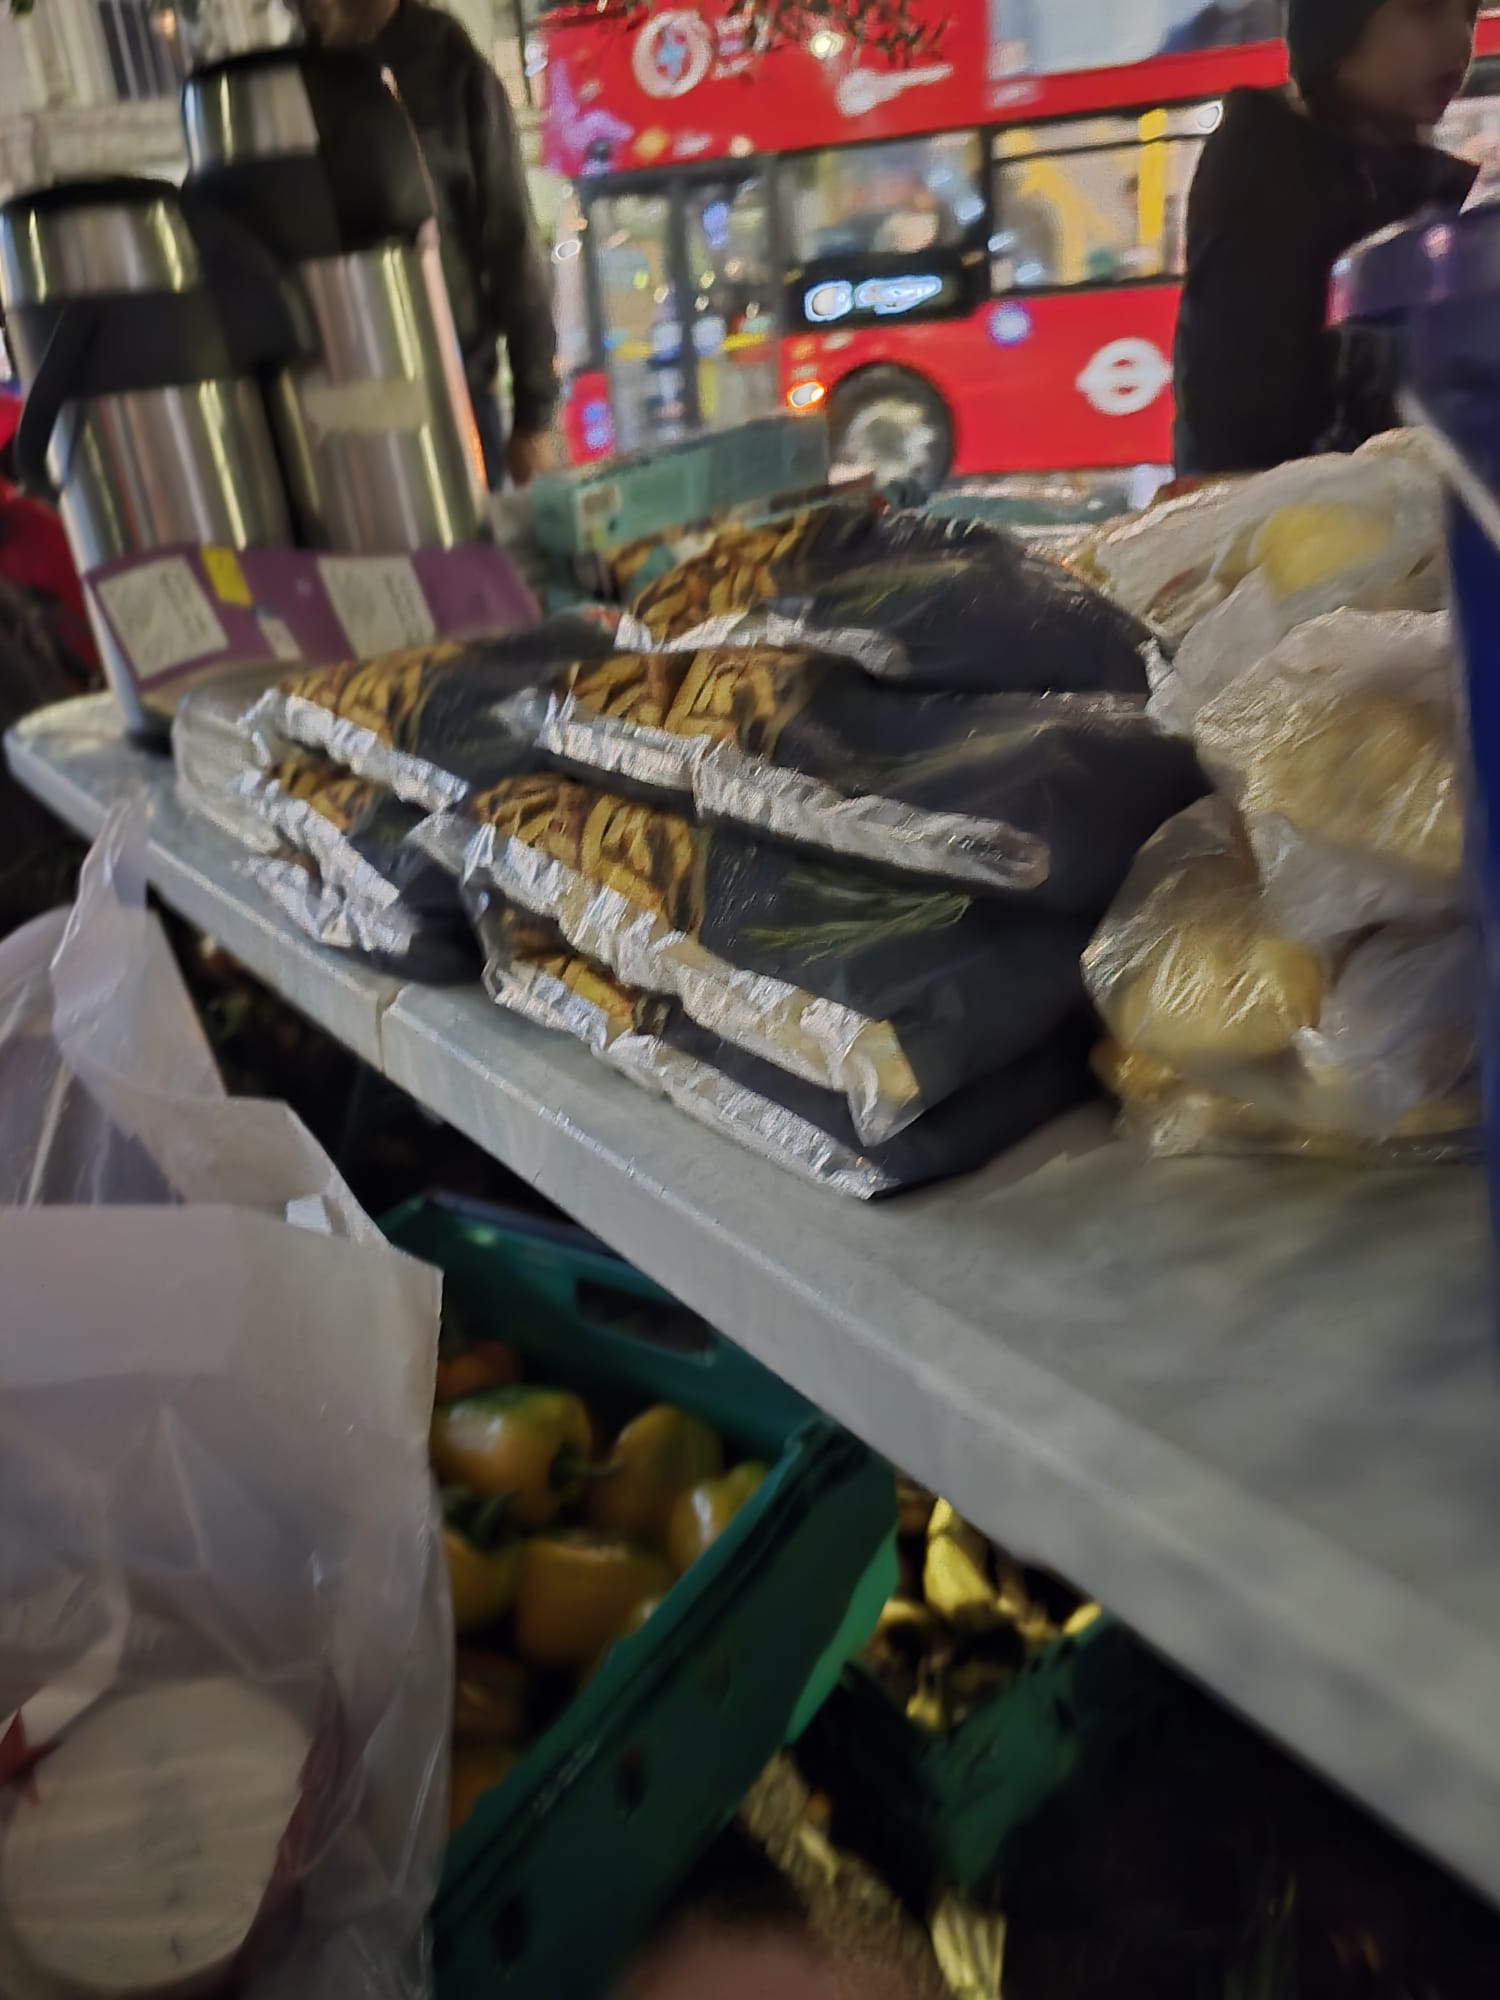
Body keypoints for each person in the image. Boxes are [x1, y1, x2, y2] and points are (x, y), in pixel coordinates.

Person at [1173, 0, 1480, 477]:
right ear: (1336, 28)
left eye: (1469, 13)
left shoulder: (1437, 187)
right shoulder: (1266, 170)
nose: (1459, 41)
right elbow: (1241, 419)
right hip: (1288, 526)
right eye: (1425, 9)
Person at [294, 0, 558, 490]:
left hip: (451, 399)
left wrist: (533, 419)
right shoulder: (289, 78)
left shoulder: (446, 60)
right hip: (331, 415)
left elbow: (511, 244)